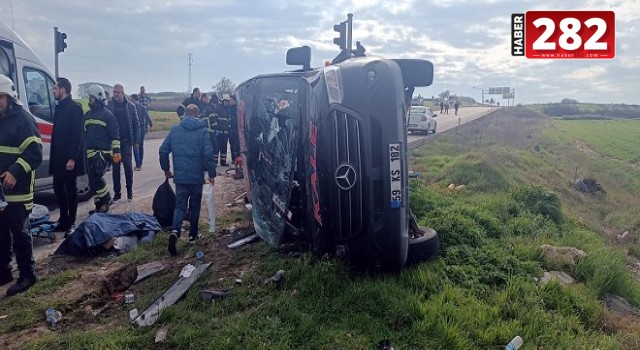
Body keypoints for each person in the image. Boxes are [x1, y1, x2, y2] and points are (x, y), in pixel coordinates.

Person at [0, 74, 43, 296]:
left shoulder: (24, 120)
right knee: (1, 233)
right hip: (1, 191)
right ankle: (4, 271)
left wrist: (15, 171)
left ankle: (28, 274)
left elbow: (35, 152)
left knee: (20, 233)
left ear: (10, 97)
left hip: (18, 189)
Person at [159, 104, 216, 255]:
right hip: (196, 177)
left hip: (181, 178)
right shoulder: (203, 131)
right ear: (198, 114)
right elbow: (209, 154)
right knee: (195, 206)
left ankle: (175, 231)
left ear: (185, 113)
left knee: (180, 206)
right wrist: (212, 173)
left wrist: (166, 169)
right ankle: (192, 235)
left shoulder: (175, 130)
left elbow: (163, 150)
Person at [50, 77, 85, 237]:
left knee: (70, 189)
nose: (53, 90)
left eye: (55, 88)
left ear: (63, 89)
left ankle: (71, 221)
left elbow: (77, 135)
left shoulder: (74, 108)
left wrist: (72, 158)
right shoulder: (60, 107)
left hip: (69, 158)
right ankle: (63, 219)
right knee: (57, 187)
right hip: (58, 156)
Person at [85, 85, 120, 214]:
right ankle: (98, 205)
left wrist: (116, 152)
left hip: (102, 153)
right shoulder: (87, 115)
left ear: (99, 97)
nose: (90, 100)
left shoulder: (108, 115)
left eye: (92, 97)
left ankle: (106, 200)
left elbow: (115, 135)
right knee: (91, 181)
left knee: (96, 178)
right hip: (89, 153)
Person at [107, 84, 140, 201]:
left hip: (126, 142)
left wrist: (137, 140)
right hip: (114, 142)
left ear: (123, 93)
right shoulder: (109, 105)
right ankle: (117, 193)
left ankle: (130, 191)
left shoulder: (130, 106)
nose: (115, 94)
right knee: (115, 168)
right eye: (114, 92)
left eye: (117, 92)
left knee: (128, 167)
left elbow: (136, 124)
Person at [130, 94, 153, 171]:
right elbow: (147, 116)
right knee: (141, 145)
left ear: (133, 99)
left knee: (135, 145)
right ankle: (140, 162)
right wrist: (150, 124)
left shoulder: (131, 107)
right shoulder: (142, 107)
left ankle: (138, 164)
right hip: (142, 128)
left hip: (135, 129)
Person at [214, 94, 233, 166]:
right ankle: (215, 162)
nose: (226, 102)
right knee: (216, 147)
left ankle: (223, 161)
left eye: (227, 101)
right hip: (218, 132)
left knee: (224, 147)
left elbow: (229, 121)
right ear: (222, 101)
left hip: (225, 132)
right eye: (225, 101)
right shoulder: (218, 109)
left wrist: (229, 130)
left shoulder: (228, 110)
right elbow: (215, 119)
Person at [228, 94, 240, 163]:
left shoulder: (237, 109)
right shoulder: (228, 109)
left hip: (236, 129)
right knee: (232, 144)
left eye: (231, 100)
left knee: (238, 145)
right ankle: (233, 159)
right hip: (230, 129)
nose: (230, 101)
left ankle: (238, 158)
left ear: (235, 101)